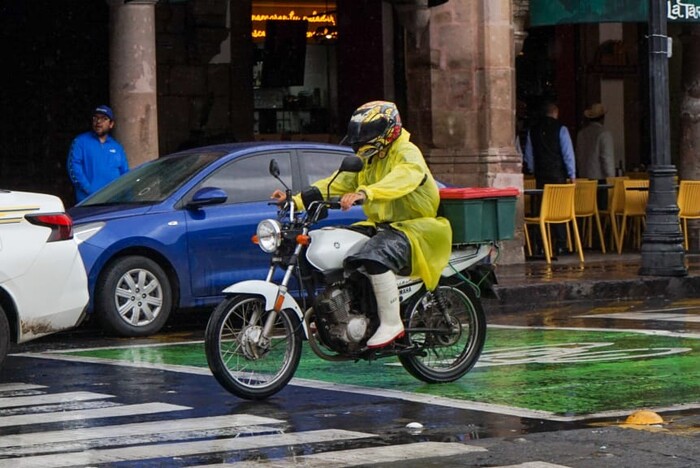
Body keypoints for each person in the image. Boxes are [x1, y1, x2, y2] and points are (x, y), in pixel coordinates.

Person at [272, 101, 451, 349]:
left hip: (416, 227)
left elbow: (403, 179)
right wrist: (296, 200)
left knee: (374, 255)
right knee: (335, 248)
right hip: (381, 225)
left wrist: (366, 193)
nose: (360, 139)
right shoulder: (369, 158)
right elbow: (336, 182)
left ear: (388, 129)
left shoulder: (407, 152)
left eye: (366, 133)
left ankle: (391, 322)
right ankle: (340, 312)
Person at [523, 100, 576, 255]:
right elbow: (568, 154)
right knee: (558, 210)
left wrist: (533, 169)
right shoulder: (561, 129)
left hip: (541, 174)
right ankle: (560, 244)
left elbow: (529, 155)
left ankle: (540, 244)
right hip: (557, 174)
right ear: (555, 113)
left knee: (541, 210)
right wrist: (572, 174)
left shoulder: (533, 131)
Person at [67, 105, 129, 203]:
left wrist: (126, 197)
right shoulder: (80, 142)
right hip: (89, 201)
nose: (98, 122)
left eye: (104, 119)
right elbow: (74, 168)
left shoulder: (117, 147)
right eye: (95, 118)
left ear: (111, 124)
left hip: (114, 201)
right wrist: (89, 190)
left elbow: (125, 174)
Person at [576, 102, 615, 210]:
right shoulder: (604, 134)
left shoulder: (581, 134)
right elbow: (607, 158)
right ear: (602, 118)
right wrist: (612, 178)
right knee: (601, 210)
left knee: (586, 211)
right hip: (600, 179)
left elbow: (579, 155)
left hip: (584, 178)